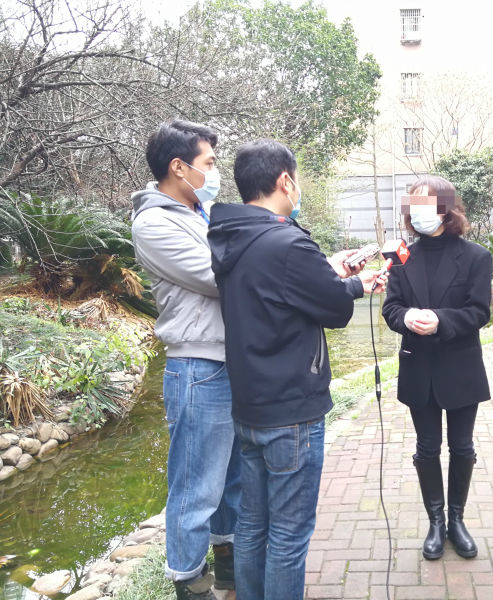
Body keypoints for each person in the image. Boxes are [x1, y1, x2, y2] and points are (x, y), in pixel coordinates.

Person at [207, 139, 386, 600]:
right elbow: (331, 308)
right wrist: (356, 285)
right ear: (285, 181)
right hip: (291, 411)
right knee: (289, 532)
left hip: (249, 407)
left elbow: (282, 292)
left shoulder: (230, 236)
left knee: (252, 524)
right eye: (297, 179)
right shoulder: (287, 242)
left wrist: (333, 274)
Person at [130, 119, 241, 600]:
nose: (214, 172)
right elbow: (221, 278)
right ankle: (190, 583)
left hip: (230, 360)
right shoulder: (154, 223)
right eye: (208, 163)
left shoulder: (203, 213)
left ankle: (230, 568)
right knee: (196, 487)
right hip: (197, 367)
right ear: (179, 167)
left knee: (232, 479)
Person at [382, 175, 492, 560]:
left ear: (446, 209)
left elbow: (479, 312)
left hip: (460, 366)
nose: (419, 213)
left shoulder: (475, 256)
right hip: (419, 367)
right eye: (413, 205)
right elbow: (391, 308)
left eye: (427, 204)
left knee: (462, 446)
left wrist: (441, 320)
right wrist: (407, 317)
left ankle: (457, 520)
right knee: (427, 448)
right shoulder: (401, 257)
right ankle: (435, 521)